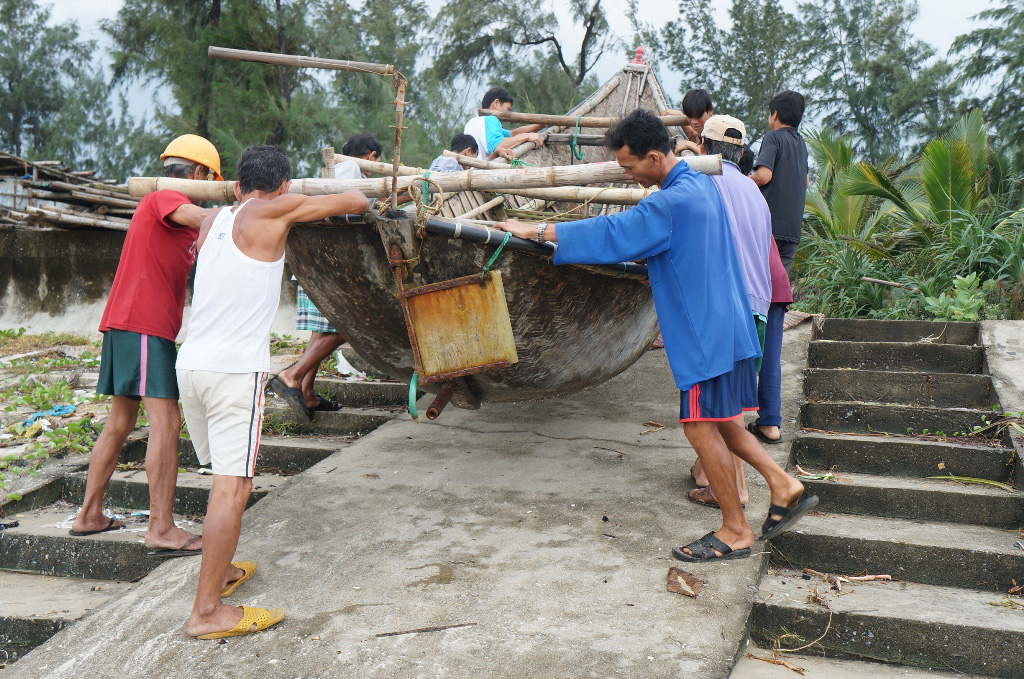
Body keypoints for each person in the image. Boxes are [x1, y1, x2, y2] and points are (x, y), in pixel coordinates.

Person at [495, 110, 815, 562]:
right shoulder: (700, 186)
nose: (627, 174)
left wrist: (536, 229)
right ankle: (786, 485)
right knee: (724, 421)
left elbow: (614, 231)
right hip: (733, 324)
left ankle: (735, 529)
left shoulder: (668, 203)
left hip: (706, 337)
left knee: (698, 427)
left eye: (629, 167)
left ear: (652, 157)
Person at [177, 145, 369, 639]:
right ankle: (206, 612)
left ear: (239, 185)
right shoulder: (276, 206)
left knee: (222, 480)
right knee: (234, 488)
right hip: (234, 373)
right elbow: (356, 201)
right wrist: (314, 193)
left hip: (191, 366)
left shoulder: (214, 219)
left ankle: (219, 573)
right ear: (282, 186)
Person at [69, 135, 222, 558]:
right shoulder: (164, 197)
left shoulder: (165, 205)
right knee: (167, 421)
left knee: (120, 420)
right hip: (143, 325)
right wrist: (243, 209)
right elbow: (204, 218)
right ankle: (160, 527)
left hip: (129, 325)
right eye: (210, 179)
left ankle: (89, 515)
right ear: (197, 174)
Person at [686, 115, 772, 511]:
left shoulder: (706, 184)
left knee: (725, 407)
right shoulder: (754, 190)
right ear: (740, 151)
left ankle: (735, 490)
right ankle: (709, 474)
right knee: (732, 402)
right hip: (758, 306)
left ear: (702, 146)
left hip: (726, 307)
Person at [750, 91, 809, 271]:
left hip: (770, 227)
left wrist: (744, 180)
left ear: (774, 115)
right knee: (779, 288)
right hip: (792, 230)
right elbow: (806, 182)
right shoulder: (801, 143)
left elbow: (764, 175)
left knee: (760, 281)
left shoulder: (773, 136)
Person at [464, 86, 545, 160]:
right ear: (496, 103)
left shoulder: (477, 122)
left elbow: (513, 134)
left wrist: (541, 124)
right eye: (508, 109)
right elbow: (499, 145)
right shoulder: (490, 119)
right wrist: (527, 136)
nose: (508, 114)